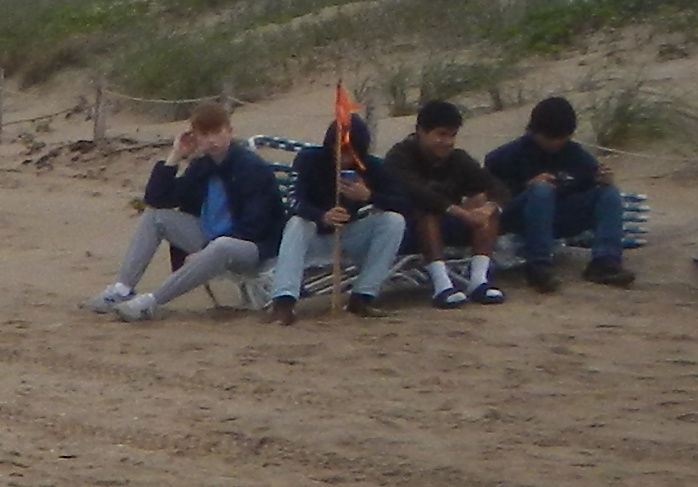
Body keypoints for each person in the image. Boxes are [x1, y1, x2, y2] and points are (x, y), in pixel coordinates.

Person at [90, 101, 279, 319]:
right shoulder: (203, 166)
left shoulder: (250, 167)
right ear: (196, 137)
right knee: (156, 218)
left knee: (221, 246)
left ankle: (150, 302)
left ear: (229, 131)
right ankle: (121, 290)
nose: (212, 140)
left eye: (217, 132)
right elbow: (157, 200)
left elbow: (257, 224)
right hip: (210, 238)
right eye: (205, 134)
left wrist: (207, 249)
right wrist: (175, 155)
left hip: (252, 248)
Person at [266, 97, 404, 322]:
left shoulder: (372, 167)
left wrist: (369, 196)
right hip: (314, 236)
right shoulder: (309, 160)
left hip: (350, 234)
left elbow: (403, 203)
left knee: (393, 222)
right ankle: (283, 302)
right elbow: (294, 200)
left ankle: (363, 296)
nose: (346, 157)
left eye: (352, 152)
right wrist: (322, 216)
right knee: (297, 224)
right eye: (341, 150)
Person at [483, 94, 635, 290]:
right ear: (533, 131)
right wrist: (527, 189)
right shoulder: (505, 157)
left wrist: (599, 179)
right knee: (542, 190)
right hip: (518, 219)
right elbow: (491, 198)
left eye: (561, 138)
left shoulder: (575, 155)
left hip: (558, 218)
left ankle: (605, 261)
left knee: (609, 194)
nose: (554, 144)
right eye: (548, 138)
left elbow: (586, 183)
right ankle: (538, 266)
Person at [374, 98, 506, 305]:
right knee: (427, 212)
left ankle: (479, 281)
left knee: (486, 207)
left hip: (451, 222)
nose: (448, 142)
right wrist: (462, 213)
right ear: (421, 131)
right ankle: (441, 285)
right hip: (407, 226)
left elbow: (496, 186)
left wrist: (488, 208)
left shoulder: (458, 158)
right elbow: (417, 193)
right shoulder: (399, 157)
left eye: (452, 135)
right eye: (441, 135)